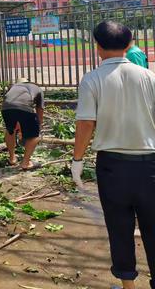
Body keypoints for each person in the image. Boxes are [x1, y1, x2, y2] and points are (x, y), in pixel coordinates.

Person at [72, 20, 155, 289]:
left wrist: (77, 160)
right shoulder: (150, 77)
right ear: (130, 44)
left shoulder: (92, 78)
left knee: (119, 227)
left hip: (112, 166)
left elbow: (86, 123)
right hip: (150, 163)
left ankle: (128, 286)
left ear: (97, 46)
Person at [1, 77, 43, 170]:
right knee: (35, 136)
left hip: (6, 108)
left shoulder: (13, 87)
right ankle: (26, 163)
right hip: (24, 108)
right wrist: (39, 125)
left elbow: (13, 105)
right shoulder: (37, 88)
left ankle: (12, 158)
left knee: (10, 130)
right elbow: (39, 109)